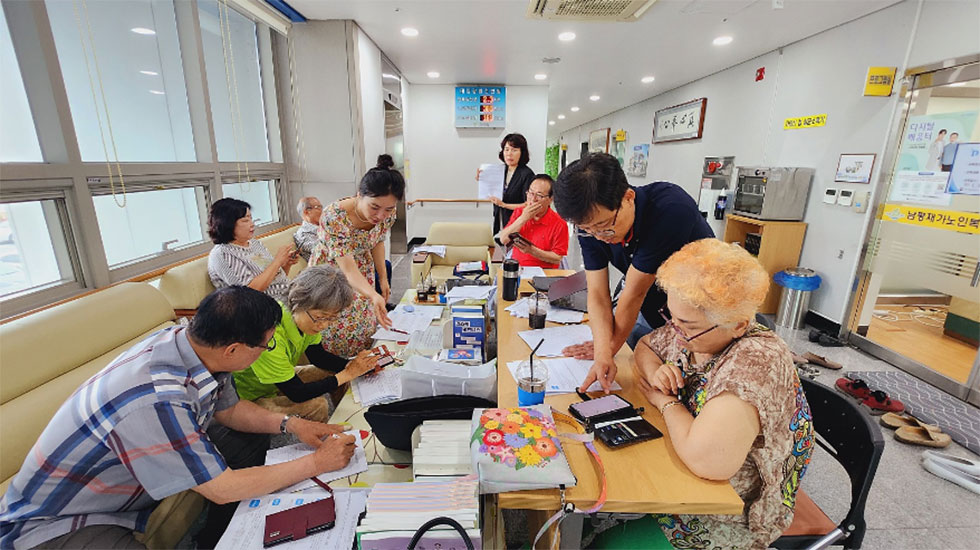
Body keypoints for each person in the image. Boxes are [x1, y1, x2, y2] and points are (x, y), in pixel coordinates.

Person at [0, 286, 357, 549]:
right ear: (233, 349)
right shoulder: (157, 398)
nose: (267, 351)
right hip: (57, 520)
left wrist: (290, 424)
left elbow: (229, 410)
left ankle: (219, 537)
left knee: (245, 441)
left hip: (129, 478)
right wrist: (316, 462)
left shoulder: (187, 344)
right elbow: (221, 488)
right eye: (265, 345)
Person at [623, 238, 813, 549]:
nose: (676, 330)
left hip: (728, 510)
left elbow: (709, 463)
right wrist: (656, 370)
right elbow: (646, 346)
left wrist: (666, 402)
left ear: (738, 325)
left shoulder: (755, 362)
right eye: (672, 317)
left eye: (686, 324)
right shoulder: (695, 329)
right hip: (687, 474)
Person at [550, 153, 715, 393]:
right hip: (656, 312)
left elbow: (634, 294)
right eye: (586, 229)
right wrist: (603, 351)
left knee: (693, 388)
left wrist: (606, 351)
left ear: (628, 197)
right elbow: (597, 293)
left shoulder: (669, 209)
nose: (597, 236)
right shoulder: (591, 226)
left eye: (604, 227)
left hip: (705, 317)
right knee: (648, 378)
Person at [233, 265, 378, 422]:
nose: (324, 325)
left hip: (280, 381)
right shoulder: (268, 334)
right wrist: (348, 373)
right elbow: (297, 393)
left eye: (332, 318)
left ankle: (349, 421)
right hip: (250, 397)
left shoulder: (304, 319)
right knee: (317, 405)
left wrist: (357, 365)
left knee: (335, 374)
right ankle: (324, 442)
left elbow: (318, 357)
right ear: (298, 302)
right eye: (321, 317)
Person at [309, 166, 404, 356]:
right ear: (359, 195)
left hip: (362, 268)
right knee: (336, 324)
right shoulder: (334, 216)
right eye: (374, 207)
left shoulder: (387, 214)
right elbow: (348, 271)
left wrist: (383, 279)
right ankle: (340, 375)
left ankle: (363, 368)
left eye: (389, 209)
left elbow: (377, 242)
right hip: (331, 274)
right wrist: (374, 294)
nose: (380, 216)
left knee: (364, 323)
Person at [208, 197, 298, 302]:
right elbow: (249, 293)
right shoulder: (223, 254)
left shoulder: (254, 243)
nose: (252, 224)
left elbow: (276, 280)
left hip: (287, 294)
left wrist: (286, 263)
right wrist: (277, 262)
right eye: (245, 220)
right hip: (265, 307)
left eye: (251, 218)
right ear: (228, 224)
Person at [493, 174, 568, 269]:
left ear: (550, 199)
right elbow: (503, 239)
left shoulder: (559, 223)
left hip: (545, 273)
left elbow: (557, 258)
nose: (533, 199)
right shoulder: (519, 212)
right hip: (518, 269)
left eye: (539, 195)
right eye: (531, 193)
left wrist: (532, 251)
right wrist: (523, 218)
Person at [482, 133, 536, 233]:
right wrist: (482, 178)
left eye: (514, 150)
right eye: (506, 149)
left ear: (522, 153)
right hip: (501, 219)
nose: (509, 153)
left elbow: (528, 204)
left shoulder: (527, 174)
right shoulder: (500, 170)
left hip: (518, 222)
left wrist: (504, 205)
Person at [294, 196, 323, 261]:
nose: (322, 211)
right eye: (318, 207)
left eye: (321, 207)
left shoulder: (323, 226)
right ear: (306, 212)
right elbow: (321, 251)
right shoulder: (303, 233)